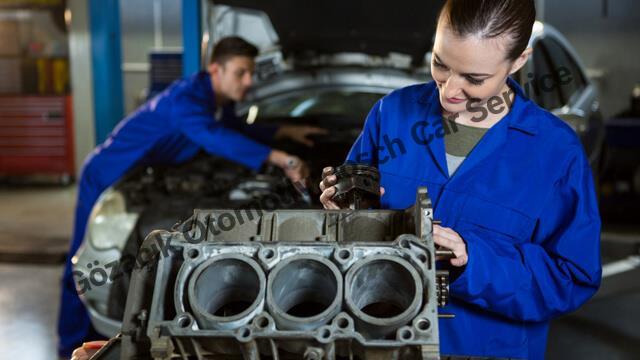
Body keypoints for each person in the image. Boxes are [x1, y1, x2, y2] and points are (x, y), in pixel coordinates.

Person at [320, 0, 601, 359]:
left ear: (518, 61)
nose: (449, 91)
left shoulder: (556, 153)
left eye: (474, 78)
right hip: (380, 340)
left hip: (487, 348)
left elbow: (571, 277)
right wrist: (343, 211)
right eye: (440, 63)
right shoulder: (392, 114)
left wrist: (472, 261)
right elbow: (352, 232)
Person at [57, 36, 325, 357]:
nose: (249, 81)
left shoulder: (213, 101)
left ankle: (91, 340)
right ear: (216, 69)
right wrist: (282, 158)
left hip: (142, 172)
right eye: (241, 72)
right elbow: (215, 137)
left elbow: (234, 129)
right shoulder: (185, 101)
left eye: (250, 73)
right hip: (109, 175)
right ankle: (69, 343)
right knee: (83, 272)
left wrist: (282, 133)